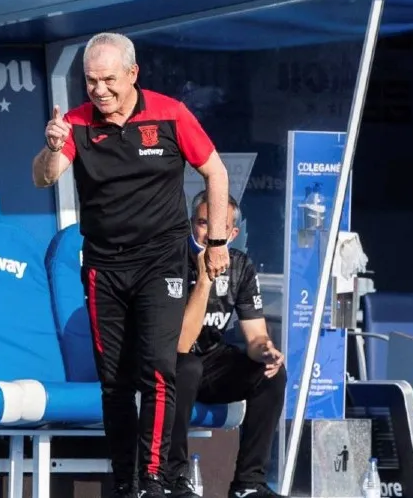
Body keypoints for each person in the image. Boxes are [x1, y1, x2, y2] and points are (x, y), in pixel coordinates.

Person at [32, 32, 231, 498]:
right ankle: (126, 482)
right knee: (114, 381)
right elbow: (43, 178)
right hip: (104, 265)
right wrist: (51, 146)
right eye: (91, 81)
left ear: (132, 74)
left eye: (108, 80)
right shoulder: (76, 122)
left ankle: (155, 478)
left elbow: (215, 171)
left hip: (160, 261)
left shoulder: (170, 114)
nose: (99, 90)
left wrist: (217, 241)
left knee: (159, 367)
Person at [166, 191, 286, 498]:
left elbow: (256, 336)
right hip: (168, 362)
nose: (211, 234)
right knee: (187, 366)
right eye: (203, 223)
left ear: (232, 234)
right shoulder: (172, 260)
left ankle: (248, 483)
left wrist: (266, 351)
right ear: (191, 224)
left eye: (220, 227)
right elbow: (180, 343)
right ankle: (172, 479)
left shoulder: (240, 266)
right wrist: (205, 276)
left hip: (209, 360)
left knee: (270, 374)